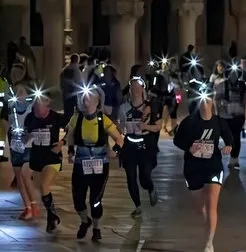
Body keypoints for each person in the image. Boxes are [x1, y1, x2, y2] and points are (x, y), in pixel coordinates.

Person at [173, 91, 233, 252]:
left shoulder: (219, 122)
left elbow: (229, 138)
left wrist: (228, 146)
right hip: (193, 168)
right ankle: (206, 222)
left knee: (212, 204)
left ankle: (209, 243)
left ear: (212, 103)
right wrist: (189, 147)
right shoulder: (189, 122)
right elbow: (177, 140)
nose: (205, 104)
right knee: (200, 207)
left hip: (213, 166)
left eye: (208, 101)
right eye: (202, 101)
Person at [68, 88, 124, 243]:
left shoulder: (103, 119)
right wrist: (70, 151)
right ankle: (85, 220)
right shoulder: (76, 118)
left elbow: (119, 138)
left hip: (100, 163)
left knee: (96, 198)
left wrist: (115, 151)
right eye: (84, 99)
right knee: (78, 198)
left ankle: (97, 228)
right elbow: (70, 136)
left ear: (97, 101)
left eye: (90, 99)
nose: (87, 102)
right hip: (81, 162)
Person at [23, 92, 69, 233]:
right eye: (35, 104)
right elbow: (25, 139)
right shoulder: (30, 118)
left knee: (44, 185)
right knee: (41, 189)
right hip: (36, 158)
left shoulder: (56, 117)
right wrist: (27, 138)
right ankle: (52, 212)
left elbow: (72, 129)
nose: (37, 107)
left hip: (52, 157)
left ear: (47, 105)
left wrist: (62, 143)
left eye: (40, 104)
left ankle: (51, 216)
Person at [117, 77, 160, 219]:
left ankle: (151, 188)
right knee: (130, 177)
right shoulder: (124, 108)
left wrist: (146, 126)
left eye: (138, 87)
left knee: (144, 176)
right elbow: (120, 126)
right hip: (129, 145)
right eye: (132, 88)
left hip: (145, 145)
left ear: (143, 89)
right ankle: (138, 206)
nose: (135, 90)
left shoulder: (150, 107)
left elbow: (158, 126)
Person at [4, 82, 37, 219]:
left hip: (28, 147)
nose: (19, 95)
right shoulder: (10, 109)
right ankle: (27, 207)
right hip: (15, 147)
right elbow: (6, 126)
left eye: (22, 92)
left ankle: (34, 204)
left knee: (25, 175)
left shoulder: (31, 108)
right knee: (19, 179)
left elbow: (35, 128)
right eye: (16, 93)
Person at [217, 62, 246, 169]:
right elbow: (217, 99)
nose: (233, 76)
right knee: (228, 138)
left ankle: (234, 159)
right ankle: (231, 155)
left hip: (238, 116)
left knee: (236, 137)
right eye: (231, 73)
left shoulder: (242, 85)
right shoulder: (221, 85)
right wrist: (219, 111)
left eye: (235, 73)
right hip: (225, 116)